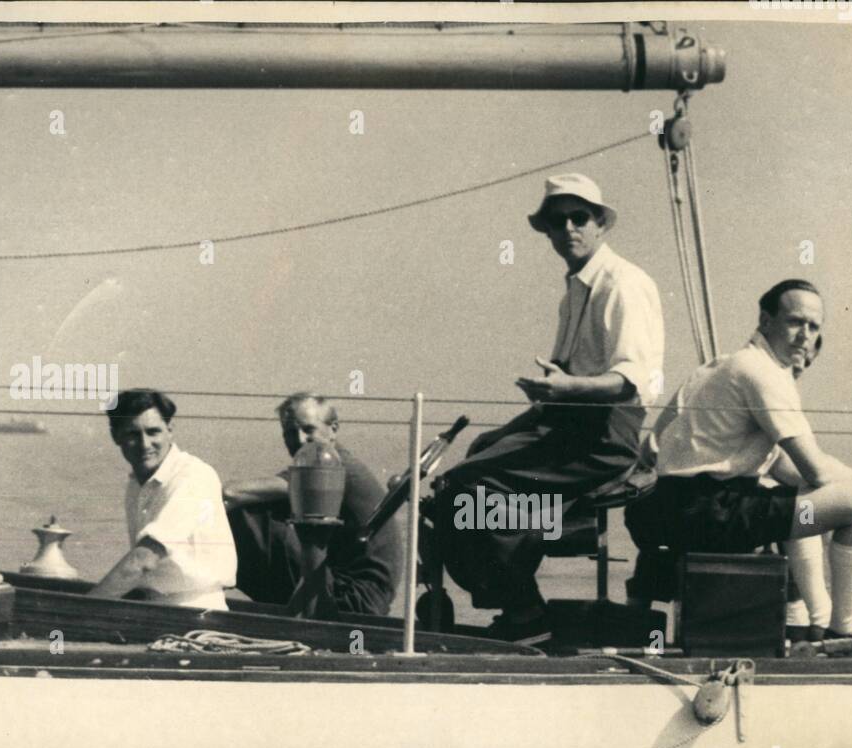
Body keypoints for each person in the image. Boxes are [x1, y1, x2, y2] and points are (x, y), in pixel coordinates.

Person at [429, 172, 664, 644]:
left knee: (466, 490)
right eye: (558, 222)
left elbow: (634, 382)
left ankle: (525, 611)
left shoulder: (623, 284)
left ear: (600, 224)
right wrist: (507, 430)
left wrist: (566, 388)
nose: (569, 229)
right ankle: (521, 574)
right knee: (459, 476)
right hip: (566, 430)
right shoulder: (576, 290)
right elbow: (561, 389)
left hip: (603, 440)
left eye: (580, 218)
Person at [625, 279, 852, 639]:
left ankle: (806, 620)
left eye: (813, 327)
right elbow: (815, 470)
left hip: (668, 509)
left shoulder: (719, 366)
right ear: (765, 320)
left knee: (802, 501)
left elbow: (786, 469)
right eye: (795, 322)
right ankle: (846, 626)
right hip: (709, 512)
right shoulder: (762, 372)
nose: (804, 335)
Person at [223, 392, 401, 616]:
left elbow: (232, 493)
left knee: (247, 518)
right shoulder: (324, 462)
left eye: (308, 429)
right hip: (360, 594)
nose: (298, 439)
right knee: (270, 511)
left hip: (355, 597)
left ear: (333, 429)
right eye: (289, 432)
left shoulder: (329, 466)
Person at [89, 388, 237, 610]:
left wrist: (83, 608)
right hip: (154, 609)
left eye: (153, 432)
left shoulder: (192, 476)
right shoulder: (136, 484)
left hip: (196, 612)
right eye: (132, 434)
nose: (145, 444)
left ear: (170, 430)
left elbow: (142, 561)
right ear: (115, 436)